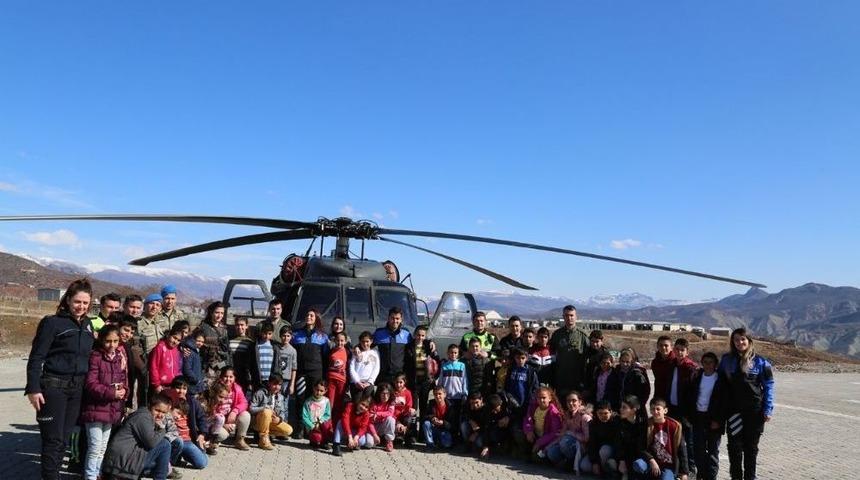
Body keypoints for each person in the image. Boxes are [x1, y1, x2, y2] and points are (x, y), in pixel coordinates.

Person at [26, 278, 96, 480]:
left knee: (64, 440)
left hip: (77, 391)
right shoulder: (52, 323)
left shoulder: (88, 324)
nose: (81, 306)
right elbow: (36, 357)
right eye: (77, 301)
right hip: (53, 389)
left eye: (85, 303)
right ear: (67, 300)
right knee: (53, 440)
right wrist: (33, 388)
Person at [718, 328, 774, 480]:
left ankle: (750, 477)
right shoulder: (726, 361)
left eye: (743, 339)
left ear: (749, 341)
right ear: (732, 342)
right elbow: (720, 384)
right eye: (736, 339)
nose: (740, 342)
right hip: (733, 411)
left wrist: (768, 409)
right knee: (734, 447)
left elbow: (769, 386)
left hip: (754, 412)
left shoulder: (761, 362)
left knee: (751, 448)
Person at [80, 325, 128, 480]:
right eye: (108, 341)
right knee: (94, 447)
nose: (111, 345)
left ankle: (97, 473)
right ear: (101, 340)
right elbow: (90, 384)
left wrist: (123, 391)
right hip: (95, 408)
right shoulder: (95, 357)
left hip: (111, 409)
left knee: (102, 447)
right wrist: (111, 392)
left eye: (115, 341)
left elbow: (123, 379)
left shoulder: (119, 357)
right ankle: (90, 476)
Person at [101, 392, 173, 480]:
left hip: (126, 460)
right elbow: (151, 442)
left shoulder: (146, 416)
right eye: (157, 410)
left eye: (164, 412)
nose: (160, 415)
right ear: (150, 406)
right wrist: (162, 430)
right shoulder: (143, 417)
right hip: (121, 463)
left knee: (163, 453)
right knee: (165, 445)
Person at [633, 397, 689, 480]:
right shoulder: (647, 425)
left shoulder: (675, 426)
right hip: (651, 461)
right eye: (652, 409)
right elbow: (640, 446)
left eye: (658, 409)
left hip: (668, 465)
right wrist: (651, 459)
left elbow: (682, 450)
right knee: (638, 465)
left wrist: (684, 472)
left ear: (665, 410)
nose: (655, 412)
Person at [689, 352, 724, 480]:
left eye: (711, 362)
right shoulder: (697, 377)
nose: (708, 365)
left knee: (713, 450)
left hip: (713, 419)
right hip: (698, 417)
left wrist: (718, 420)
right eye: (705, 362)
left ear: (715, 364)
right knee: (699, 449)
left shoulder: (720, 379)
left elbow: (724, 402)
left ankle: (711, 476)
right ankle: (701, 474)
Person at [668, 337, 699, 476]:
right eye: (677, 349)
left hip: (686, 411)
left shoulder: (691, 368)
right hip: (672, 408)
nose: (679, 352)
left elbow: (695, 391)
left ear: (687, 352)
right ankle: (677, 467)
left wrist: (691, 411)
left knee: (689, 442)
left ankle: (691, 469)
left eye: (682, 350)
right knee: (675, 440)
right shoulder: (672, 365)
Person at [548, 305, 590, 398]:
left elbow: (590, 356)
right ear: (563, 317)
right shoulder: (557, 335)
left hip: (578, 379)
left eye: (571, 315)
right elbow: (550, 353)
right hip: (561, 379)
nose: (569, 318)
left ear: (576, 317)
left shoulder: (583, 336)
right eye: (566, 315)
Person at [165, 377, 208, 470]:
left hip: (187, 440)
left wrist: (202, 434)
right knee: (178, 442)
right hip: (172, 439)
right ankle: (169, 463)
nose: (181, 391)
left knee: (202, 463)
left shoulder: (192, 402)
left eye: (184, 388)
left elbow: (202, 418)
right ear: (172, 388)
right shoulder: (167, 401)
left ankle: (185, 453)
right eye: (178, 388)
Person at [545, 390, 592, 473]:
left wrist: (571, 433)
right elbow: (562, 434)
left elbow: (586, 438)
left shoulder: (585, 417)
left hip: (583, 447)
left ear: (580, 402)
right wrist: (549, 446)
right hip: (569, 444)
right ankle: (565, 462)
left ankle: (571, 463)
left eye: (574, 401)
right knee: (551, 452)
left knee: (565, 441)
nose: (571, 403)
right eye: (568, 401)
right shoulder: (567, 415)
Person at [249, 373, 293, 450]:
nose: (277, 387)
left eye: (279, 385)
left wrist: (279, 419)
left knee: (288, 430)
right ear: (269, 383)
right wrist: (263, 408)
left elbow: (283, 412)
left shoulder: (280, 397)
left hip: (271, 422)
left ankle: (266, 435)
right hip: (258, 422)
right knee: (267, 411)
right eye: (274, 384)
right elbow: (251, 408)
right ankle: (263, 439)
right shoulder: (260, 393)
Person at [212, 367, 251, 451]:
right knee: (222, 435)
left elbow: (244, 403)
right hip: (216, 421)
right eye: (225, 376)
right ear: (221, 377)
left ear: (234, 378)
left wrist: (235, 411)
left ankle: (240, 440)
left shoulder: (237, 389)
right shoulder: (215, 389)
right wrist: (223, 424)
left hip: (230, 418)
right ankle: (213, 441)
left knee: (246, 415)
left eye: (231, 377)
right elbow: (210, 411)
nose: (228, 379)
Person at [521, 386, 564, 461]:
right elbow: (527, 419)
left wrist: (539, 442)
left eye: (544, 398)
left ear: (550, 398)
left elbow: (555, 433)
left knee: (537, 457)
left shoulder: (553, 413)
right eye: (539, 398)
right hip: (535, 435)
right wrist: (529, 431)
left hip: (547, 441)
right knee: (520, 435)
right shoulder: (533, 407)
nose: (541, 400)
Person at [404, 325, 438, 419]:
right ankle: (413, 426)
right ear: (414, 335)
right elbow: (405, 364)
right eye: (418, 335)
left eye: (423, 335)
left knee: (424, 406)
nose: (420, 337)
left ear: (425, 336)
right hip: (413, 381)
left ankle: (423, 426)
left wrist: (434, 377)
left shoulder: (428, 346)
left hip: (425, 381)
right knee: (413, 407)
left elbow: (436, 361)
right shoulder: (409, 347)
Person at [372, 306, 412, 385]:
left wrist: (429, 342)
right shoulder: (379, 333)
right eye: (392, 318)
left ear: (401, 319)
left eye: (397, 318)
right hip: (383, 376)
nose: (395, 321)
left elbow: (417, 344)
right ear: (388, 318)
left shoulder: (406, 334)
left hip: (399, 377)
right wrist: (358, 348)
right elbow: (366, 344)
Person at [582, 400, 620, 477]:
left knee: (605, 450)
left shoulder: (616, 422)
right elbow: (592, 443)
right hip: (598, 452)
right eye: (600, 413)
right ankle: (600, 468)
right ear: (596, 413)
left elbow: (618, 443)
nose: (603, 416)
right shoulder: (593, 424)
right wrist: (594, 462)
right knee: (584, 466)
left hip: (611, 452)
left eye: (605, 413)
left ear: (610, 412)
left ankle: (605, 470)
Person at [613, 347, 650, 423]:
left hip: (635, 409)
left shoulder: (638, 373)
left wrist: (638, 405)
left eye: (627, 362)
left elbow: (645, 391)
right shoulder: (616, 372)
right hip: (620, 407)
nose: (625, 364)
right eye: (622, 361)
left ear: (632, 361)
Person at [199, 302, 232, 386]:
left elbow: (228, 350)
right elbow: (192, 342)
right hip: (206, 368)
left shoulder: (224, 329)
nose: (219, 315)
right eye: (217, 312)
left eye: (222, 313)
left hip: (221, 367)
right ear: (211, 312)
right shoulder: (203, 327)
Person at [616, 395, 647, 480]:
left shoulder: (642, 423)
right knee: (611, 465)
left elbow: (642, 446)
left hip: (639, 457)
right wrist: (622, 460)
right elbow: (619, 444)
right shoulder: (620, 423)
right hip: (625, 456)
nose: (621, 409)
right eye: (621, 407)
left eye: (624, 407)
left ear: (633, 410)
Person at [149, 324, 184, 393]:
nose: (175, 341)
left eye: (178, 340)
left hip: (174, 385)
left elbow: (178, 367)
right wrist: (156, 384)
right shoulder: (160, 347)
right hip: (161, 386)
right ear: (168, 335)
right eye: (174, 338)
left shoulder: (177, 350)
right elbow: (153, 366)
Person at [247, 321, 281, 391]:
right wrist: (250, 380)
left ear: (272, 333)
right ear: (261, 332)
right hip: (257, 380)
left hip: (271, 381)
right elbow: (249, 364)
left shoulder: (274, 347)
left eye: (269, 334)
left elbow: (277, 364)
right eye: (265, 333)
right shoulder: (255, 346)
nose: (267, 336)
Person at [478, 393, 511, 459]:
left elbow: (518, 413)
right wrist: (486, 446)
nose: (494, 412)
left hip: (511, 426)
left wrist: (509, 418)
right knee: (479, 442)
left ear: (500, 404)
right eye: (492, 411)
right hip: (497, 429)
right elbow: (487, 427)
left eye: (496, 409)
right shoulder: (488, 410)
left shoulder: (509, 404)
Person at [422, 385, 457, 449]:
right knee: (426, 423)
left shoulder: (450, 406)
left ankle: (439, 442)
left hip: (445, 430)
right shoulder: (431, 403)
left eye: (439, 394)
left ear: (445, 395)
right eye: (435, 394)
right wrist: (432, 418)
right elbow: (425, 417)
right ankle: (430, 444)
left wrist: (443, 423)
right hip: (434, 429)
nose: (437, 396)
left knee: (447, 444)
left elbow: (453, 426)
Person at [277, 326, 298, 430]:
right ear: (280, 336)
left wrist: (292, 384)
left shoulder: (292, 351)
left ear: (291, 337)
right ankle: (275, 427)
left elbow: (294, 368)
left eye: (288, 336)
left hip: (286, 380)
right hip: (277, 380)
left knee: (285, 403)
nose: (286, 338)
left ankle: (284, 427)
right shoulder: (276, 348)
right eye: (284, 336)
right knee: (276, 403)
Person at [349, 331, 380, 399]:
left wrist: (370, 382)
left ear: (371, 341)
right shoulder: (356, 352)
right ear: (360, 342)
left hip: (369, 383)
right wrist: (357, 381)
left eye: (367, 341)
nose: (365, 344)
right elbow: (351, 368)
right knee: (357, 403)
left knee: (367, 403)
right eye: (363, 341)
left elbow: (376, 368)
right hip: (356, 383)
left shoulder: (375, 353)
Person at [302, 379, 333, 448]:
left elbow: (327, 415)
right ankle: (314, 440)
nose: (318, 392)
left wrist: (320, 422)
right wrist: (312, 426)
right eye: (317, 390)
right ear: (313, 388)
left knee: (326, 425)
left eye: (321, 391)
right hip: (312, 427)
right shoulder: (308, 402)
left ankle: (324, 442)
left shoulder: (326, 401)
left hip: (322, 425)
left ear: (325, 391)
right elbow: (305, 417)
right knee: (316, 438)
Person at [326, 332, 349, 421]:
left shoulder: (348, 351)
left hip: (342, 380)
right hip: (331, 379)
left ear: (345, 341)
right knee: (330, 403)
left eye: (342, 341)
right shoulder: (331, 351)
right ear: (335, 341)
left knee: (339, 404)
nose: (340, 343)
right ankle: (328, 423)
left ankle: (337, 424)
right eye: (338, 340)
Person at [369, 382, 397, 452]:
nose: (385, 396)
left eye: (387, 394)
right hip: (374, 427)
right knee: (369, 444)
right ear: (379, 393)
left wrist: (377, 414)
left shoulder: (391, 402)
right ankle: (378, 438)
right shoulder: (373, 403)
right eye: (383, 393)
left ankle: (389, 441)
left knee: (391, 419)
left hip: (384, 425)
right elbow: (370, 422)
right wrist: (375, 435)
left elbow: (390, 413)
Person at [229, 317, 254, 392]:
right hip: (231, 373)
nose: (240, 327)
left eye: (242, 325)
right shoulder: (229, 340)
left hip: (243, 375)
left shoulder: (250, 342)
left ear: (246, 326)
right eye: (237, 325)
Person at [392, 374, 417, 446]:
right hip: (394, 416)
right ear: (394, 382)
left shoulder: (407, 392)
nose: (398, 384)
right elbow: (390, 408)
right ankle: (398, 437)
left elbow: (409, 406)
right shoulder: (392, 392)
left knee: (411, 417)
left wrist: (408, 411)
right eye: (397, 382)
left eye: (401, 382)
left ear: (404, 382)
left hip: (404, 415)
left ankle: (408, 437)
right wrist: (397, 421)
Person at [651, 335, 676, 403]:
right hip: (659, 398)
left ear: (671, 347)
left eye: (666, 345)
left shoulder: (676, 362)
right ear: (657, 346)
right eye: (661, 345)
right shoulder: (655, 362)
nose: (663, 348)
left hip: (673, 399)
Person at [181, 329, 206, 395]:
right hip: (192, 385)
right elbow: (187, 369)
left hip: (196, 385)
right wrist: (197, 380)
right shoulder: (190, 351)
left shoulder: (196, 351)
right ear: (193, 339)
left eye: (202, 342)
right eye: (198, 341)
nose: (200, 343)